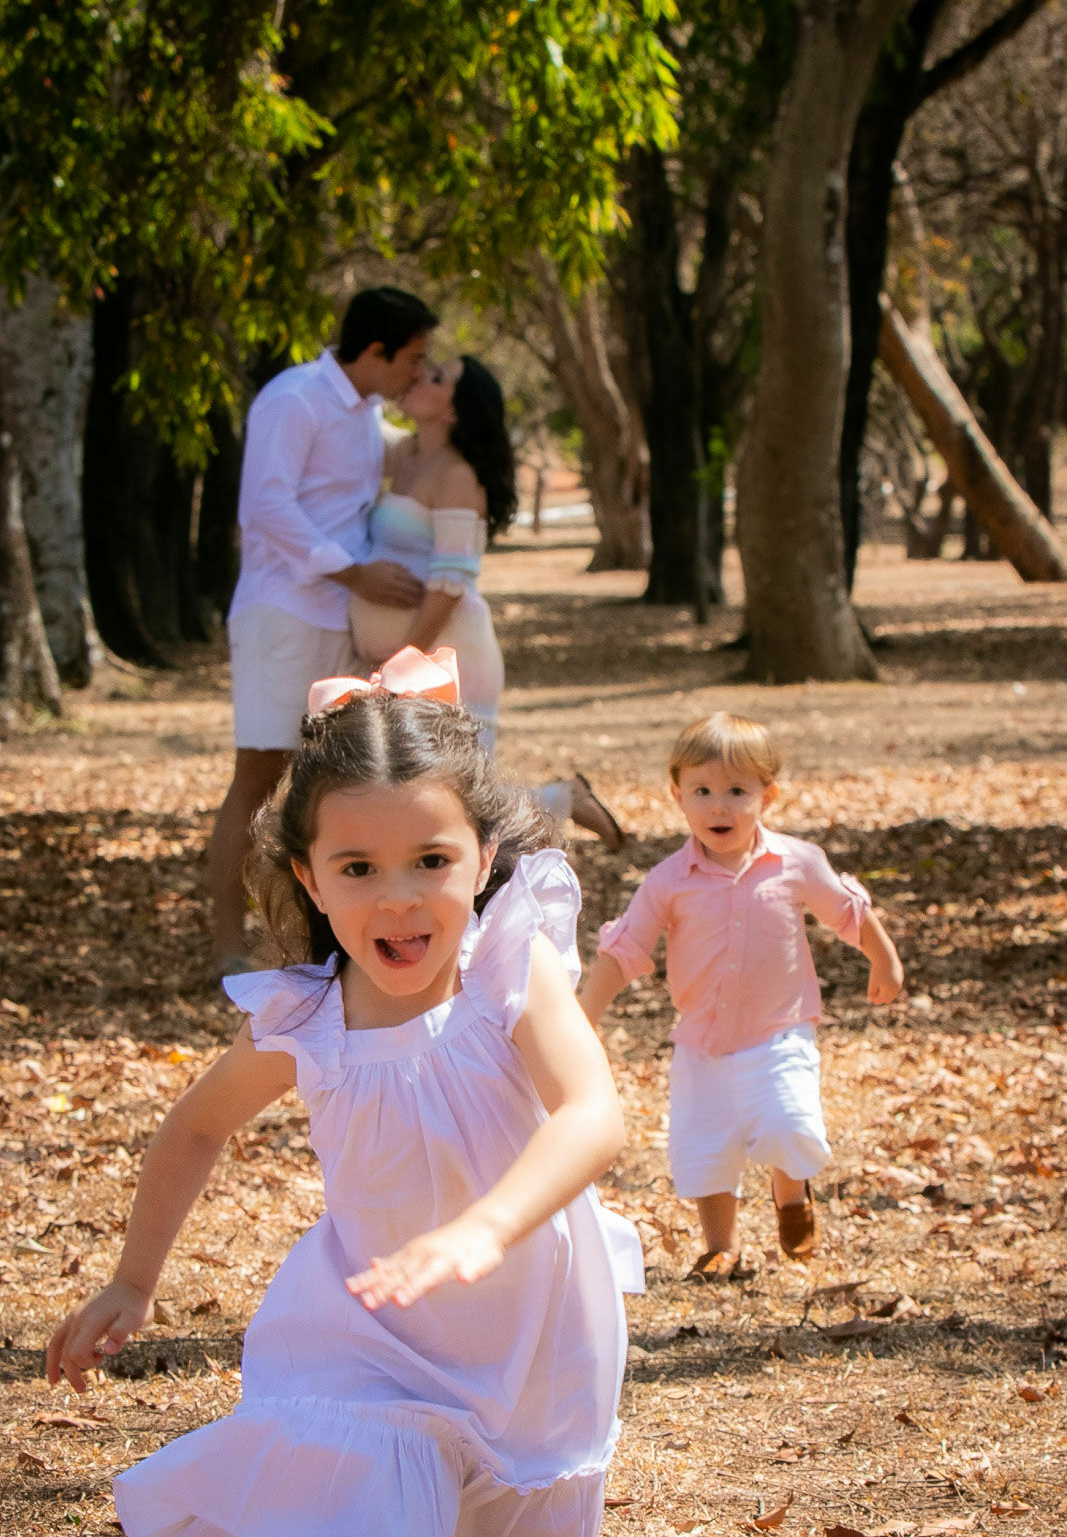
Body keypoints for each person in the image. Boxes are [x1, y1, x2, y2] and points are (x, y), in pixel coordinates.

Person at [48, 646, 643, 1537]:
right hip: (365, 1339)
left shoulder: (508, 975)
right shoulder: (305, 1020)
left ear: (483, 859)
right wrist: (133, 1281)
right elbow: (196, 1128)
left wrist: (485, 1226)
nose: (397, 900)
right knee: (369, 1494)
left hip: (529, 1342)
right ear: (309, 878)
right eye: (358, 868)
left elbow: (592, 1115)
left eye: (430, 860)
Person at [580, 710, 904, 1280]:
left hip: (779, 1032)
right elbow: (625, 948)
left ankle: (791, 1193)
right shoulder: (668, 881)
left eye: (737, 791)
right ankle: (720, 1246)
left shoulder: (795, 863)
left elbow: (847, 912)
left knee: (788, 1125)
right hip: (701, 1041)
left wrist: (884, 959)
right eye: (702, 791)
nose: (719, 807)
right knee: (705, 1148)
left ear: (767, 795)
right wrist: (582, 1019)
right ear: (678, 796)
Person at [207, 285, 439, 977]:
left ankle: (313, 941)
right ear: (377, 351)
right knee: (258, 774)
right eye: (413, 358)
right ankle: (227, 946)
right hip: (283, 613)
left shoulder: (367, 414)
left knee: (326, 781)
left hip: (340, 621)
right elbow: (266, 504)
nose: (417, 372)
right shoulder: (294, 398)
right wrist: (354, 572)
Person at [349, 351, 626, 849]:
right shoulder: (406, 454)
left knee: (464, 796)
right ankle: (562, 799)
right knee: (424, 787)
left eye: (436, 377)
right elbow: (355, 421)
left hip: (451, 655)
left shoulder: (458, 476)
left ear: (453, 410)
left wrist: (402, 662)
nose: (418, 375)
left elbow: (451, 582)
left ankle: (558, 804)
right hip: (408, 659)